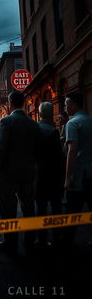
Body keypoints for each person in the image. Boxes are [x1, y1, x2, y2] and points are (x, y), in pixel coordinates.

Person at [0, 91, 41, 255]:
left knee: (8, 208)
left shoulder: (7, 121)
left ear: (10, 103)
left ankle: (10, 242)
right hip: (28, 171)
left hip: (9, 172)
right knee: (29, 207)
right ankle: (30, 241)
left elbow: (1, 147)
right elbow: (37, 150)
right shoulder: (34, 123)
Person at [63, 92, 92, 245]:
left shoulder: (72, 123)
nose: (64, 107)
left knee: (72, 211)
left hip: (79, 175)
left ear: (73, 105)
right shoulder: (89, 119)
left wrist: (68, 178)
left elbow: (72, 151)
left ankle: (66, 243)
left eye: (66, 104)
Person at [35, 102, 64, 249]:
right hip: (54, 175)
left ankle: (41, 238)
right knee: (56, 207)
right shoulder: (53, 130)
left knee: (40, 207)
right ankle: (57, 237)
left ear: (39, 114)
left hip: (39, 175)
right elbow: (59, 157)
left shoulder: (36, 129)